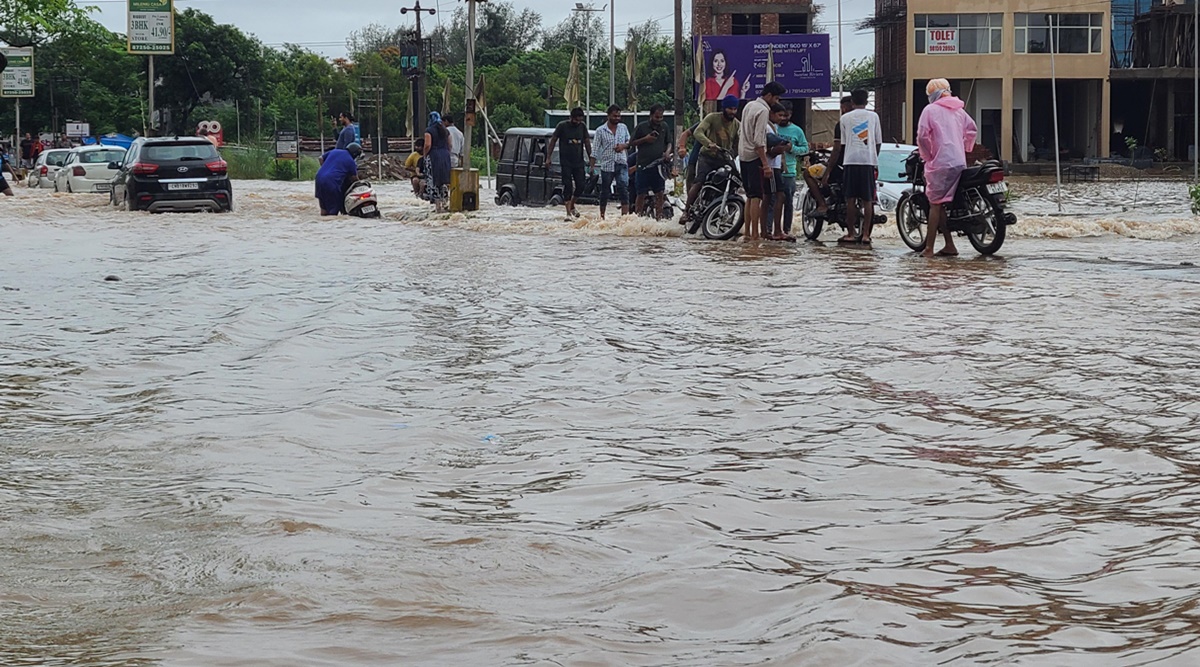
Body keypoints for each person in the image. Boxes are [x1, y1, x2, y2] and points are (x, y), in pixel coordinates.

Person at [918, 78, 979, 257]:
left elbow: (922, 136)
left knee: (935, 204)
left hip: (941, 163)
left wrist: (927, 155)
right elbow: (972, 129)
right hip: (959, 161)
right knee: (943, 204)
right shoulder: (959, 110)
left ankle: (929, 248)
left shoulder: (929, 110)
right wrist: (966, 148)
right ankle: (949, 244)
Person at [827, 89, 881, 245]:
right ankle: (865, 235)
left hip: (850, 161)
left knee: (850, 198)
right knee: (868, 199)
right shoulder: (874, 116)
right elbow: (878, 141)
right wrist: (873, 157)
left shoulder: (845, 118)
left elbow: (842, 144)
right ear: (867, 100)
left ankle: (850, 234)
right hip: (868, 161)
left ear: (852, 102)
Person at [738, 81, 785, 240]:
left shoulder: (749, 105)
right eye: (776, 98)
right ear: (769, 96)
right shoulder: (763, 111)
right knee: (757, 197)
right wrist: (765, 164)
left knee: (750, 196)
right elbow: (759, 141)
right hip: (754, 156)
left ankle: (748, 233)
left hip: (743, 154)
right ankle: (756, 236)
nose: (777, 102)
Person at [687, 95, 741, 220]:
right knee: (698, 182)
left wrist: (734, 154)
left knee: (734, 184)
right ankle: (687, 211)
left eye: (735, 109)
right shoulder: (712, 117)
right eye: (730, 109)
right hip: (707, 157)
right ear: (724, 108)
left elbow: (738, 144)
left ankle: (731, 218)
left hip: (725, 159)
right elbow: (697, 132)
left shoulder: (737, 125)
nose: (732, 112)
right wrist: (708, 143)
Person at [810, 96, 854, 218]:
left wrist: (828, 171)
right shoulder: (867, 121)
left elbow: (837, 149)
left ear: (844, 108)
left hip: (840, 166)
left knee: (808, 173)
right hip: (862, 165)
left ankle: (822, 204)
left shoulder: (842, 123)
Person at [546, 107, 592, 219]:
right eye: (576, 120)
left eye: (580, 120)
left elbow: (587, 143)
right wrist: (548, 157)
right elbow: (553, 141)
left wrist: (591, 158)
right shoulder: (562, 126)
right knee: (568, 186)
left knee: (581, 185)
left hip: (579, 161)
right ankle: (567, 213)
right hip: (566, 161)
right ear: (571, 118)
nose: (577, 123)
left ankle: (572, 205)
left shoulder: (582, 127)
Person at [774, 101, 809, 237]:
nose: (783, 118)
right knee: (772, 201)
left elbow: (805, 148)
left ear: (790, 114)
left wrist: (792, 148)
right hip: (774, 170)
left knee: (788, 203)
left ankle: (786, 231)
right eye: (781, 115)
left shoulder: (797, 131)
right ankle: (769, 230)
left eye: (786, 115)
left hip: (789, 172)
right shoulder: (772, 127)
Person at [631, 104, 672, 220]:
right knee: (641, 194)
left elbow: (669, 142)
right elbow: (631, 142)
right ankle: (637, 219)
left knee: (660, 193)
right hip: (643, 165)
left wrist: (667, 152)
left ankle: (659, 218)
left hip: (658, 166)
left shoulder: (664, 127)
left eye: (661, 117)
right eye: (656, 117)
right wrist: (645, 139)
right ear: (651, 116)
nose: (659, 120)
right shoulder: (642, 127)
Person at [590, 104, 631, 219]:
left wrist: (623, 146)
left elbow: (630, 142)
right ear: (608, 116)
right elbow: (595, 149)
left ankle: (625, 217)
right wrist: (592, 167)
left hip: (621, 162)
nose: (617, 118)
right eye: (615, 116)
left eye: (619, 116)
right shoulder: (600, 130)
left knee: (623, 189)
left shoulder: (623, 128)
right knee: (605, 191)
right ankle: (602, 216)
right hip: (607, 165)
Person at [314, 142, 362, 216]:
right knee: (333, 212)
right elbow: (354, 179)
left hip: (319, 178)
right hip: (332, 182)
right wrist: (361, 185)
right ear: (355, 154)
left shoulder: (335, 151)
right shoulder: (350, 161)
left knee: (324, 209)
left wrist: (326, 167)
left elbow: (320, 158)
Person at [423, 111, 452, 213]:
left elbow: (427, 145)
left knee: (434, 180)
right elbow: (450, 145)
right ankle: (445, 204)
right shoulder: (445, 131)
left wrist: (424, 154)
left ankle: (438, 206)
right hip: (445, 155)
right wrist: (446, 153)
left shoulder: (429, 130)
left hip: (434, 156)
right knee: (444, 180)